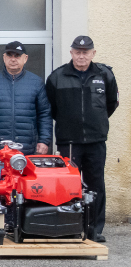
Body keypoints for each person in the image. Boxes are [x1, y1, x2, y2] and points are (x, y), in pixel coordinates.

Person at [47, 35, 119, 242]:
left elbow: (111, 104)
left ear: (93, 53)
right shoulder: (57, 76)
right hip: (69, 141)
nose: (81, 56)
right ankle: (68, 227)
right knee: (67, 186)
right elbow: (52, 108)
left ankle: (94, 229)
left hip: (96, 141)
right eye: (77, 52)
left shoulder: (105, 75)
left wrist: (95, 122)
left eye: (85, 52)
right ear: (71, 53)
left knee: (95, 185)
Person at [0, 41, 52, 181]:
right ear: (4, 58)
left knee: (26, 189)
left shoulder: (36, 82)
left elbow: (44, 114)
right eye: (10, 55)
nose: (13, 59)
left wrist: (44, 140)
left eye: (17, 56)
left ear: (25, 58)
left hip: (27, 150)